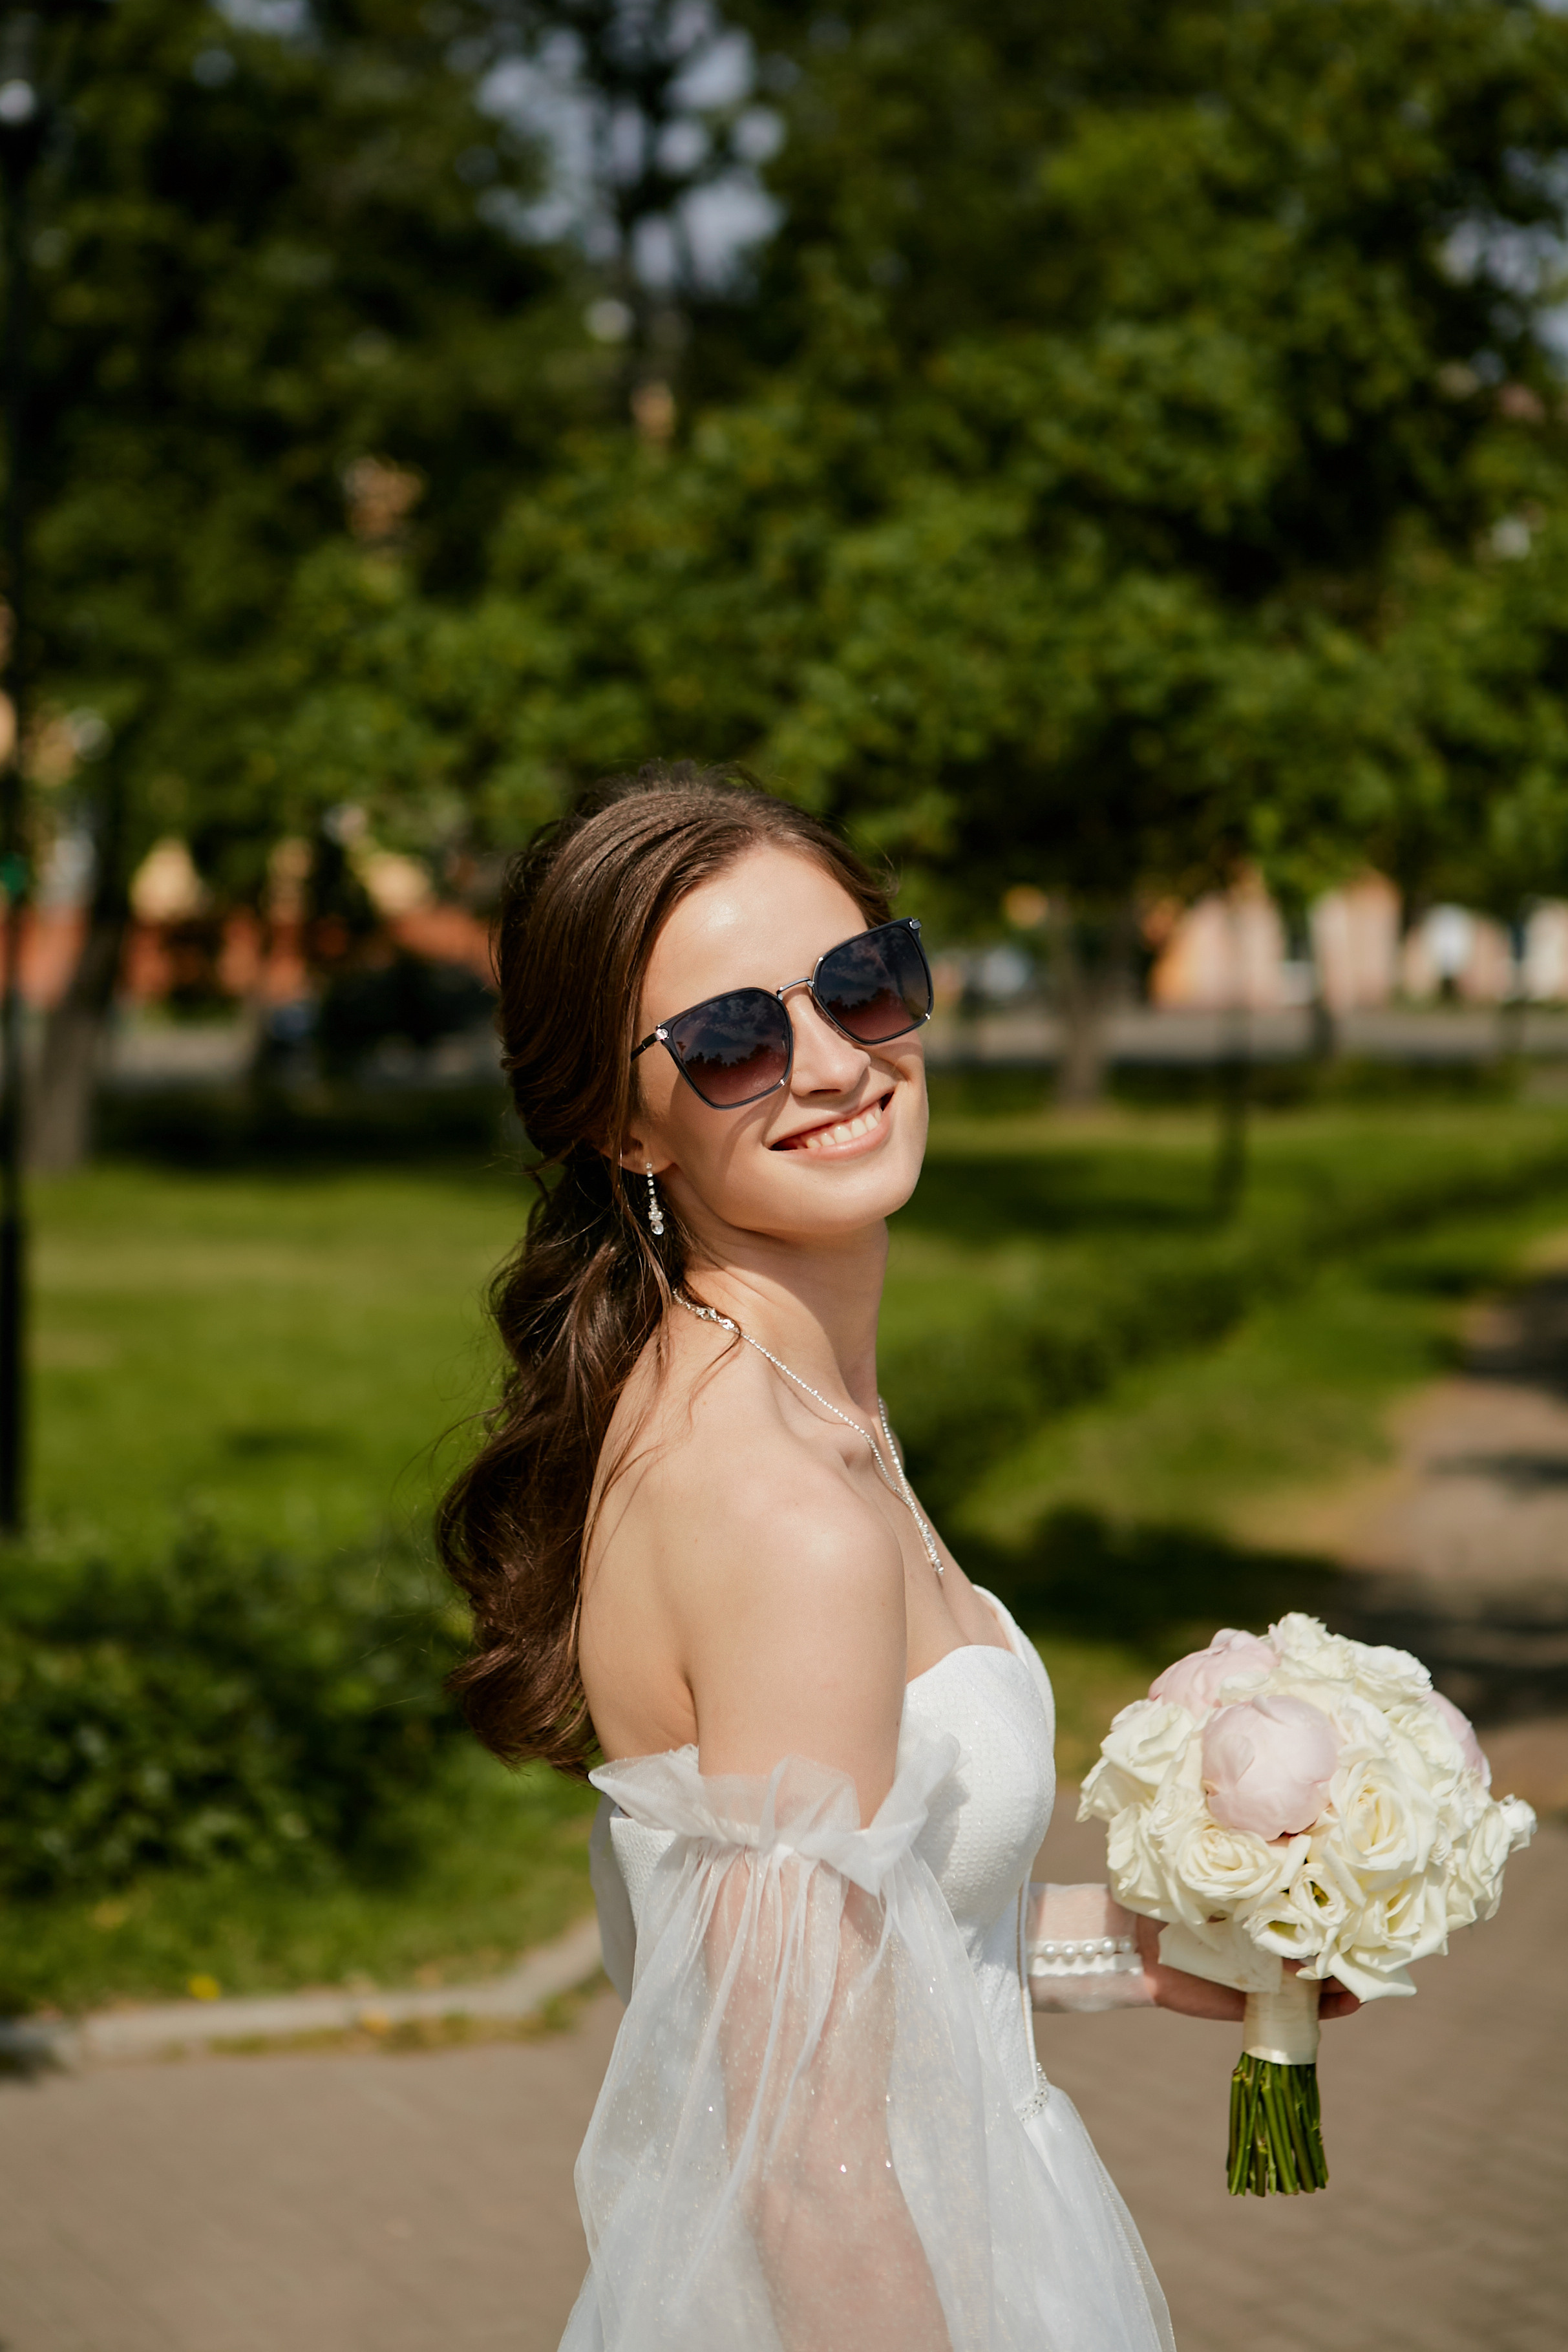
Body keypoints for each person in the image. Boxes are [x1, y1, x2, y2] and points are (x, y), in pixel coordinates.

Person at [438, 765, 1357, 2352]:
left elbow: (877, 1964)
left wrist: (1163, 1944)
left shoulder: (804, 1405)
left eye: (861, 983)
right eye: (730, 1036)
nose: (829, 1062)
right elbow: (803, 2165)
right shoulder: (781, 1508)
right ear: (615, 1118)